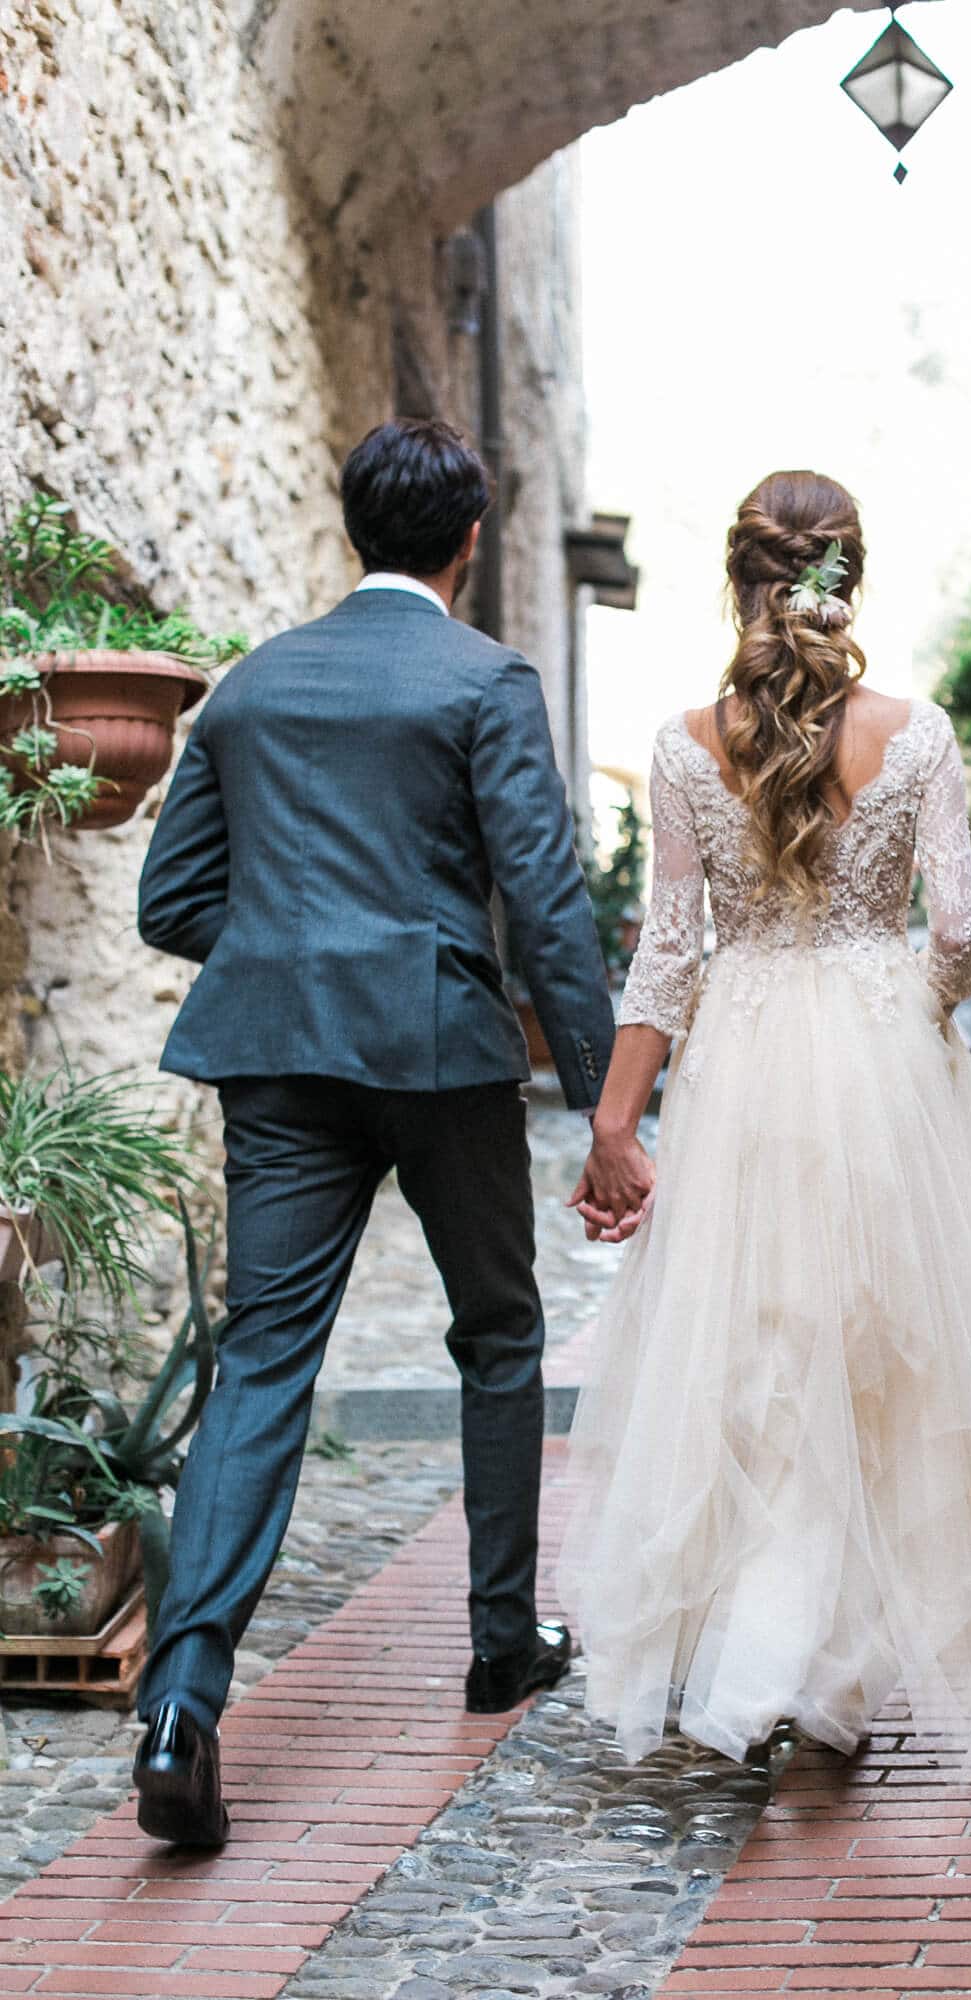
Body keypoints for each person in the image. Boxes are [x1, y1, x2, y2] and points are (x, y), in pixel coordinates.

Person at [558, 470, 971, 1775]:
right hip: (880, 1054)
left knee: (756, 1351)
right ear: (851, 578)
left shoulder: (685, 746)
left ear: (738, 581)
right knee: (880, 1353)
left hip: (742, 1064)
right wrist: (915, 1013)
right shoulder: (917, 734)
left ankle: (766, 1653)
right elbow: (957, 930)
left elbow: (666, 955)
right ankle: (831, 1668)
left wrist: (615, 1124)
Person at [132, 418, 615, 1845]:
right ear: (469, 537)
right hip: (440, 1048)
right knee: (498, 1333)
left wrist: (290, 951)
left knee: (262, 1360)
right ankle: (501, 1641)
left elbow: (170, 899)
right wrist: (606, 1099)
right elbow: (545, 903)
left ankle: (180, 1706)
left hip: (277, 1059)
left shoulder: (251, 687)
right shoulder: (484, 680)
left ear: (355, 530)